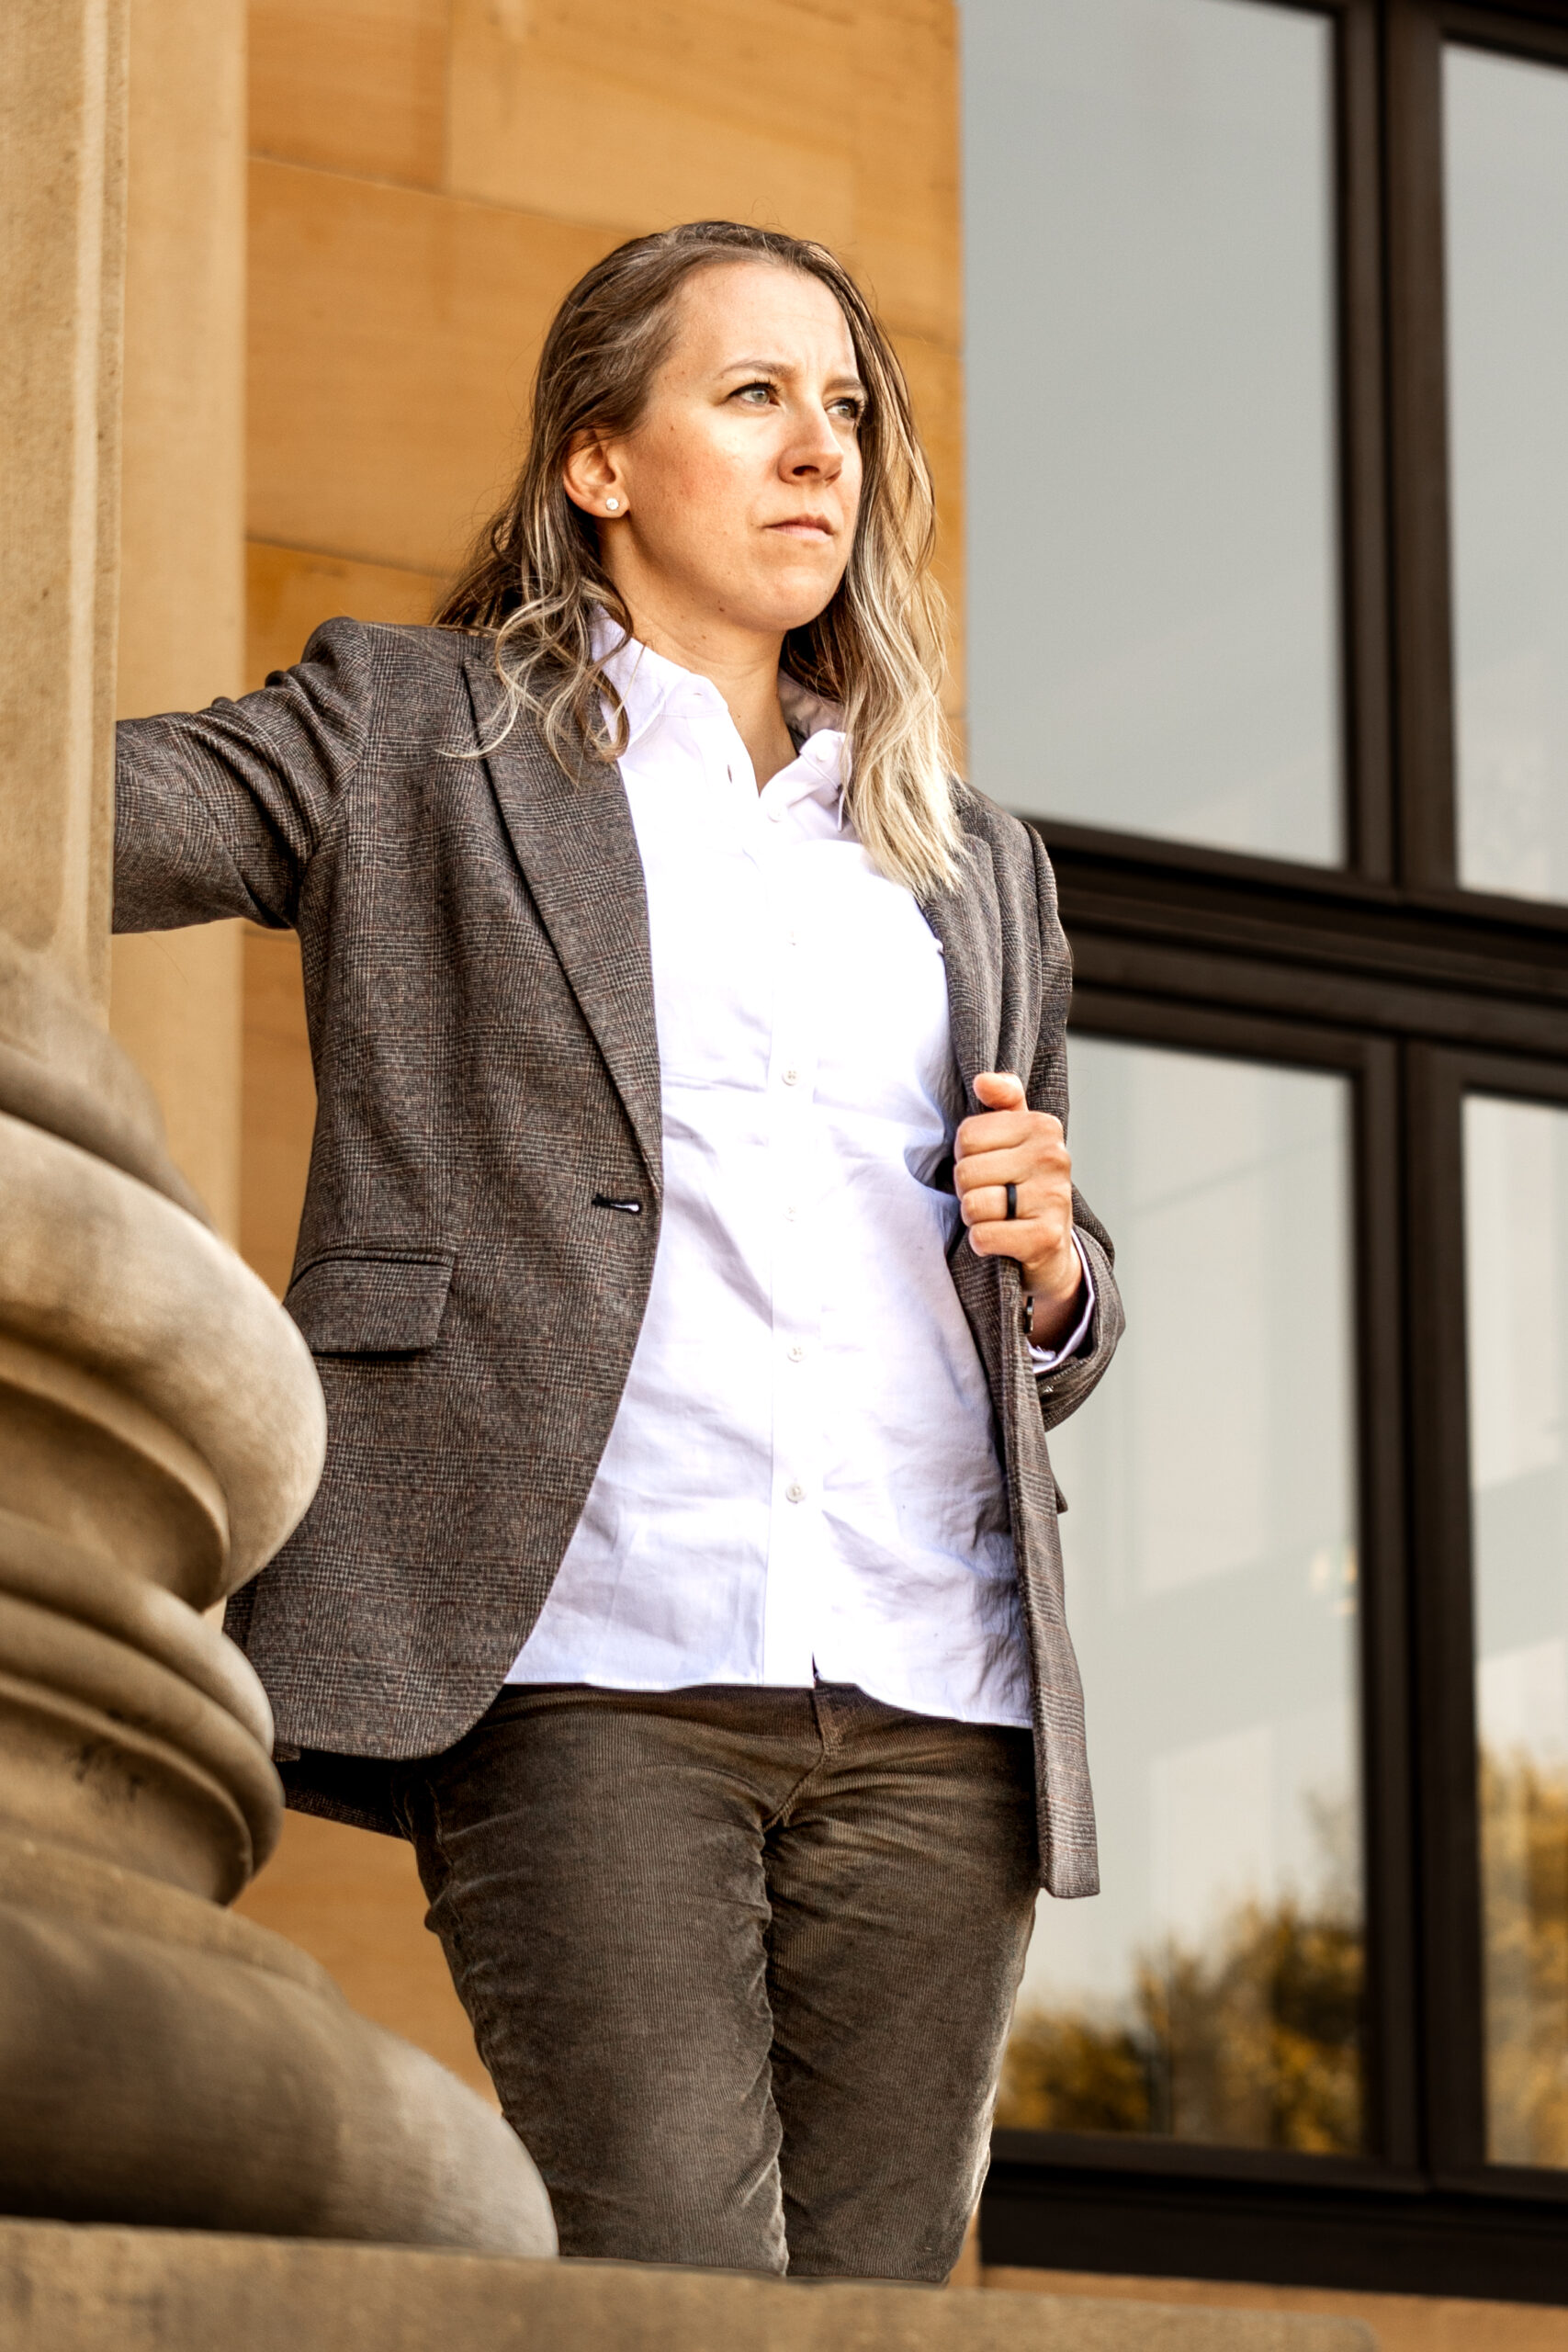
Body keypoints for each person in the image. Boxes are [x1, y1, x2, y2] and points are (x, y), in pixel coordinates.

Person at [114, 220, 1122, 2281]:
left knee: (876, 2325)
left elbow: (1037, 1290)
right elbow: (77, 807)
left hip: (937, 1690)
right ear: (598, 460)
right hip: (589, 1662)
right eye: (750, 397)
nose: (815, 452)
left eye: (843, 409)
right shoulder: (412, 737)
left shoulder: (964, 855)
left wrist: (1057, 1271)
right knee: (671, 2283)